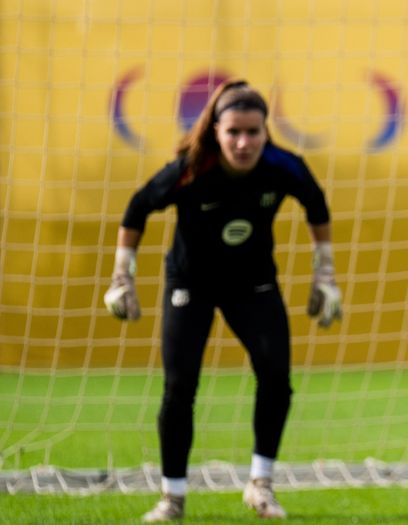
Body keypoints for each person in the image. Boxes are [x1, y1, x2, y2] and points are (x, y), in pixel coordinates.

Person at [104, 79, 343, 522]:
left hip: (252, 283)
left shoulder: (283, 166)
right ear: (215, 130)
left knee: (276, 376)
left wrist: (325, 273)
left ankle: (260, 485)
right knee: (180, 387)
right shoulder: (190, 168)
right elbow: (137, 209)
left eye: (254, 132)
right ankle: (172, 499)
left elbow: (317, 205)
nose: (244, 141)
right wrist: (123, 276)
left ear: (266, 132)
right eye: (233, 131)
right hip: (190, 283)